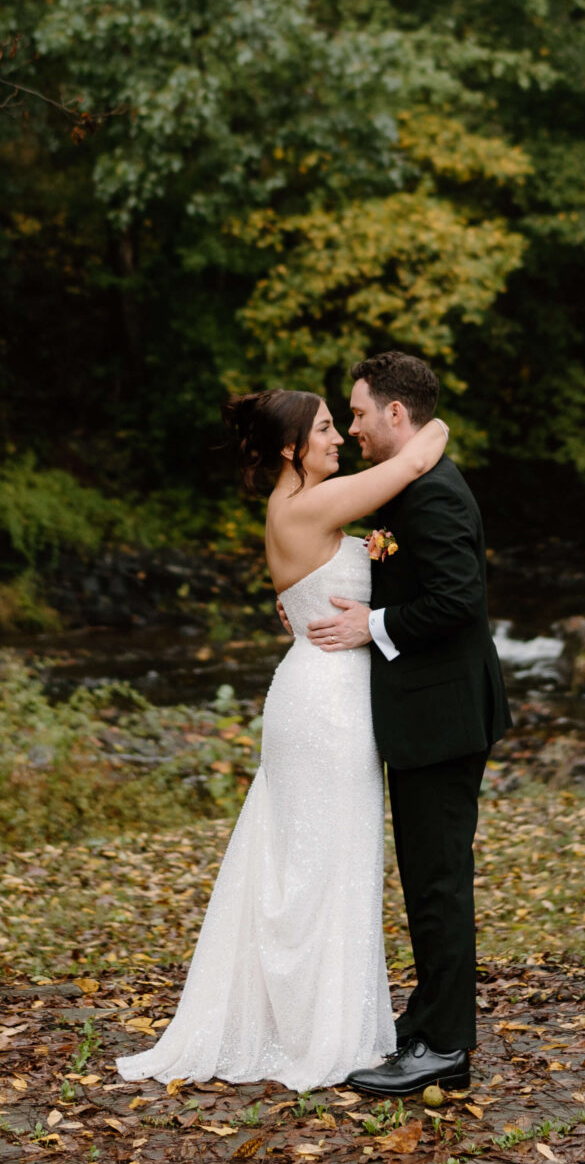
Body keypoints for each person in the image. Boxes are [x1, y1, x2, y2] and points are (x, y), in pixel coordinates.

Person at [115, 383, 449, 1091]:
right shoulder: (310, 502)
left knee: (313, 860)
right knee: (319, 863)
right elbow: (419, 456)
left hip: (320, 692)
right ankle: (315, 1031)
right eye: (328, 429)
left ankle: (306, 1019)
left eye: (341, 424)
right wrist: (424, 415)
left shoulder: (298, 507)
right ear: (292, 448)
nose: (339, 438)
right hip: (325, 705)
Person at [307, 350, 509, 1098]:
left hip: (445, 717)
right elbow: (394, 568)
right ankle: (425, 1025)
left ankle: (445, 1049)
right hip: (429, 714)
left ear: (397, 414)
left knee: (438, 884)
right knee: (427, 880)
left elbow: (460, 599)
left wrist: (374, 625)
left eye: (358, 412)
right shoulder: (409, 489)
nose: (352, 425)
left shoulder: (435, 498)